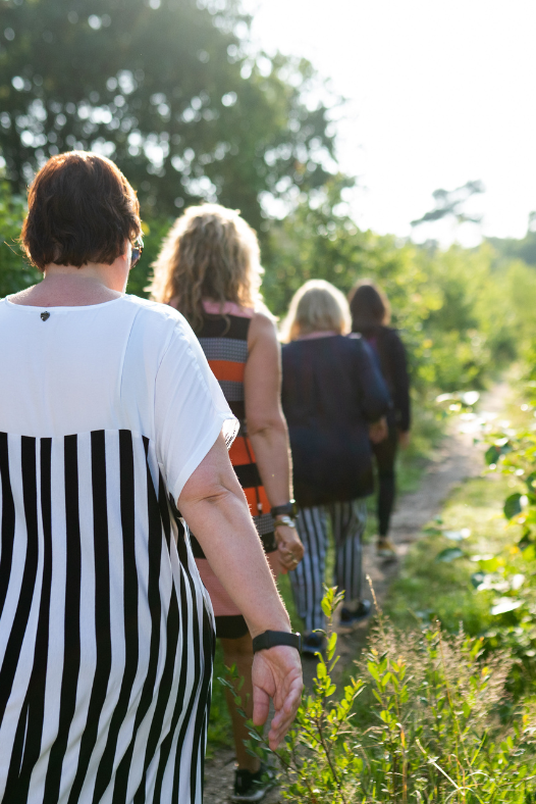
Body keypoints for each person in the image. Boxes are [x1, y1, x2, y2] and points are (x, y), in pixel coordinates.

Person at [0, 152, 303, 804]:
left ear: (36, 238)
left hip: (12, 648)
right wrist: (273, 633)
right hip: (139, 646)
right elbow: (210, 494)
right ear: (123, 237)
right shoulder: (155, 331)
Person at [149, 203, 303, 802]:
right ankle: (248, 771)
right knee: (242, 649)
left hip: (164, 508)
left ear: (179, 258)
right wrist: (284, 516)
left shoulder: (154, 322)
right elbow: (263, 424)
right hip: (239, 508)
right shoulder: (255, 329)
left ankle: (165, 776)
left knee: (169, 649)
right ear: (241, 261)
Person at [280, 280, 391, 656]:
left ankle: (313, 630)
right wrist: (375, 420)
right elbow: (376, 399)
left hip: (302, 465)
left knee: (309, 547)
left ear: (298, 315)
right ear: (336, 312)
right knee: (349, 537)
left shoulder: (284, 354)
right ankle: (351, 606)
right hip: (349, 461)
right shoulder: (355, 348)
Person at [349, 280, 411, 559]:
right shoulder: (390, 338)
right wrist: (404, 424)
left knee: (357, 481)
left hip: (354, 420)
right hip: (386, 417)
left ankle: (353, 541)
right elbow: (402, 384)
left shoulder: (346, 338)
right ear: (380, 307)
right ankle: (384, 538)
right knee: (386, 476)